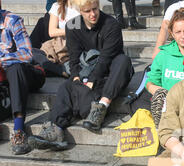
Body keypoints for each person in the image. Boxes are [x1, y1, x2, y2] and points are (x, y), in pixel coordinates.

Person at [28, 0, 134, 150]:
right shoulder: (72, 25)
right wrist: (76, 77)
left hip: (110, 76)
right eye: (87, 11)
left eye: (95, 9)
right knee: (66, 87)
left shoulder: (111, 24)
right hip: (88, 75)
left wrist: (91, 80)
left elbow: (105, 59)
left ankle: (101, 108)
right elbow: (74, 58)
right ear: (80, 11)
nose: (92, 14)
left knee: (123, 61)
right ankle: (56, 129)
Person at [0, 5, 46, 155]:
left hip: (28, 72)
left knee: (15, 68)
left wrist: (2, 60)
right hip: (5, 80)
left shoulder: (12, 20)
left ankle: (19, 130)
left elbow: (27, 54)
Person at [32, 0, 80, 78]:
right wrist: (71, 31)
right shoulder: (57, 6)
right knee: (31, 52)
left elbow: (82, 32)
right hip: (58, 45)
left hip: (74, 48)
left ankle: (58, 70)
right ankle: (59, 70)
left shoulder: (82, 6)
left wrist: (62, 32)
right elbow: (52, 32)